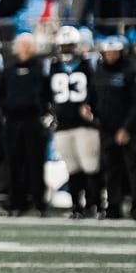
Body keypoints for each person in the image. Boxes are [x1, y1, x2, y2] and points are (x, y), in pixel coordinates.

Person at [46, 25, 100, 219]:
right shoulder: (53, 66)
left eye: (70, 46)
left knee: (90, 166)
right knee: (72, 168)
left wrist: (93, 108)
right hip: (63, 124)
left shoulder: (89, 64)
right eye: (64, 46)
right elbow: (46, 93)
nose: (66, 50)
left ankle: (94, 204)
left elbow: (97, 90)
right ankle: (77, 205)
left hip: (85, 124)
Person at [0, 33, 49, 215]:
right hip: (12, 122)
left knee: (34, 163)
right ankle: (15, 202)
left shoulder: (39, 69)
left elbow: (45, 94)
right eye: (21, 45)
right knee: (13, 164)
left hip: (33, 121)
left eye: (28, 45)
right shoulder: (9, 69)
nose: (24, 49)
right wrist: (9, 107)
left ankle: (38, 203)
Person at [92, 36, 136, 219]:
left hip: (128, 129)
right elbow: (95, 98)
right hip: (106, 129)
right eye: (107, 52)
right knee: (111, 169)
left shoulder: (131, 70)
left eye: (114, 52)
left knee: (134, 169)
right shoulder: (99, 70)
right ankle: (113, 206)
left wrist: (127, 128)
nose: (111, 55)